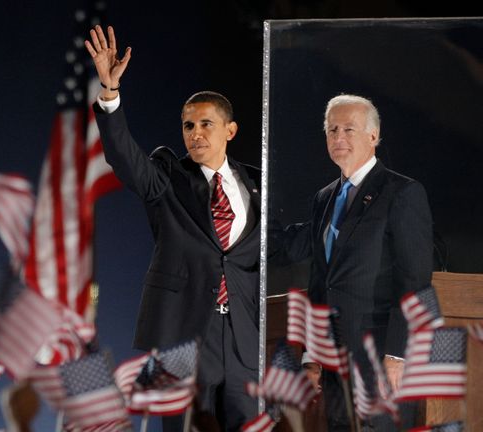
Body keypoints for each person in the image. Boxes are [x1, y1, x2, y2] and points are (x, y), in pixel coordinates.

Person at [85, 26, 261, 431]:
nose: (195, 134)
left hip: (242, 340)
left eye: (205, 124)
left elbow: (277, 246)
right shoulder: (168, 176)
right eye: (187, 126)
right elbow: (126, 159)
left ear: (230, 131)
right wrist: (110, 95)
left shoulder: (257, 184)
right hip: (185, 337)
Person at [270, 94, 433, 430]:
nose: (338, 138)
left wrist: (398, 355)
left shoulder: (402, 193)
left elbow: (414, 282)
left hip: (379, 357)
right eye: (331, 130)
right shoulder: (325, 198)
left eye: (348, 129)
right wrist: (312, 354)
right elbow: (321, 279)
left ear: (373, 136)